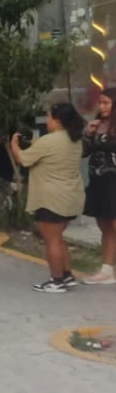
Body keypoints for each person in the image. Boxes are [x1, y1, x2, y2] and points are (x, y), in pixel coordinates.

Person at [10, 102, 86, 292]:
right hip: (70, 196)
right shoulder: (75, 140)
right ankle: (67, 275)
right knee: (59, 238)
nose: (48, 122)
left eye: (50, 118)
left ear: (58, 121)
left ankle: (56, 280)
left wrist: (14, 145)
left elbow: (24, 159)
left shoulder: (49, 141)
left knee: (51, 241)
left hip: (51, 198)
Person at [82, 87, 116, 285]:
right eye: (100, 103)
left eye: (106, 103)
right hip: (97, 180)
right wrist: (88, 133)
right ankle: (106, 269)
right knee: (104, 226)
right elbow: (83, 153)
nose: (102, 107)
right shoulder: (97, 125)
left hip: (113, 180)